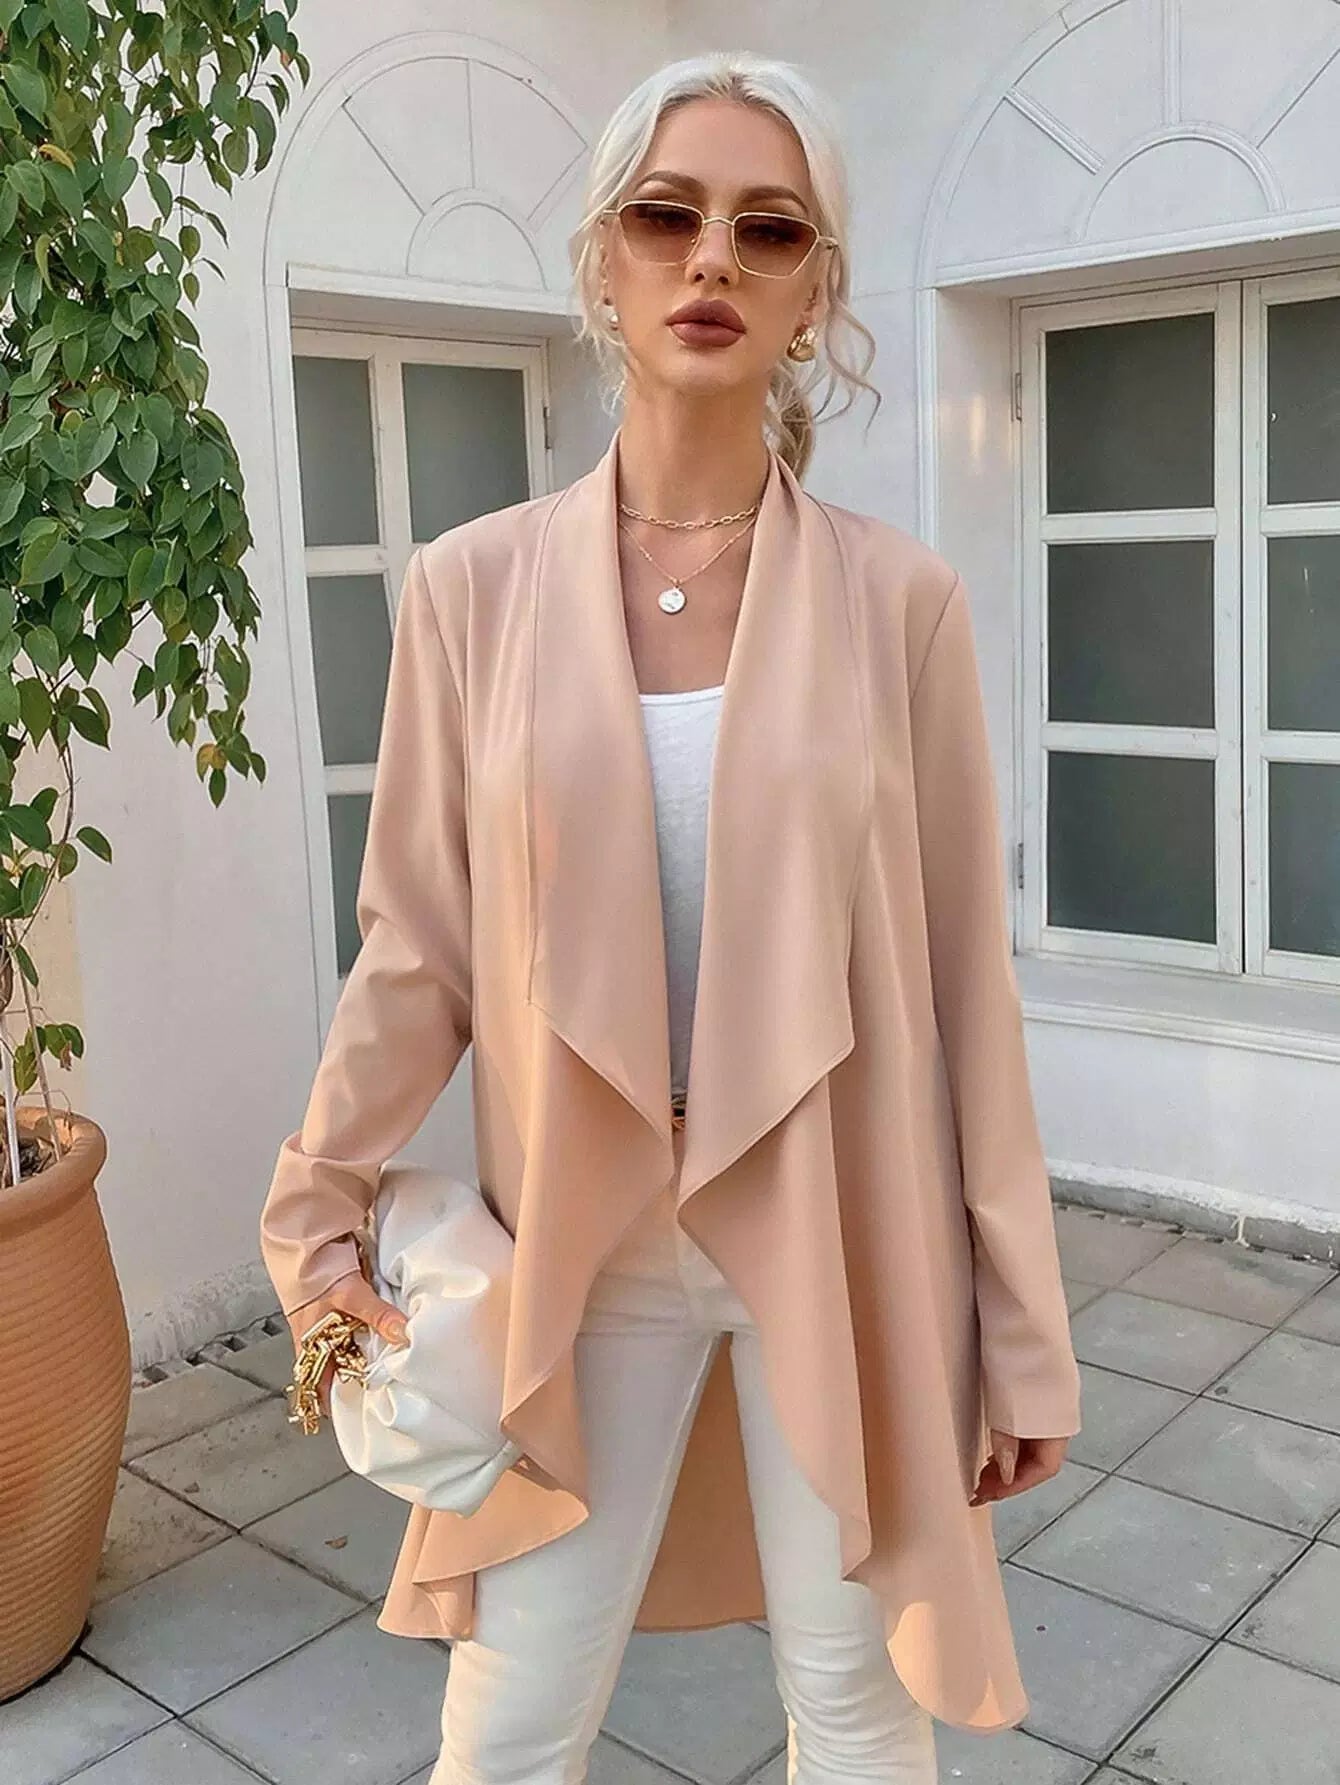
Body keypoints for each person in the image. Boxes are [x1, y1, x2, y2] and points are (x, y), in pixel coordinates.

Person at [259, 49, 1082, 1785]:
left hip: (840, 1232)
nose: (712, 256)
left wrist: (1021, 1329)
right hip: (583, 1235)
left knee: (856, 1708)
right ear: (604, 261)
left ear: (817, 292)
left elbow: (966, 989)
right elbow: (417, 947)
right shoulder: (469, 593)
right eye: (667, 214)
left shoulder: (904, 605)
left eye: (767, 229)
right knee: (510, 1719)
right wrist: (314, 1209)